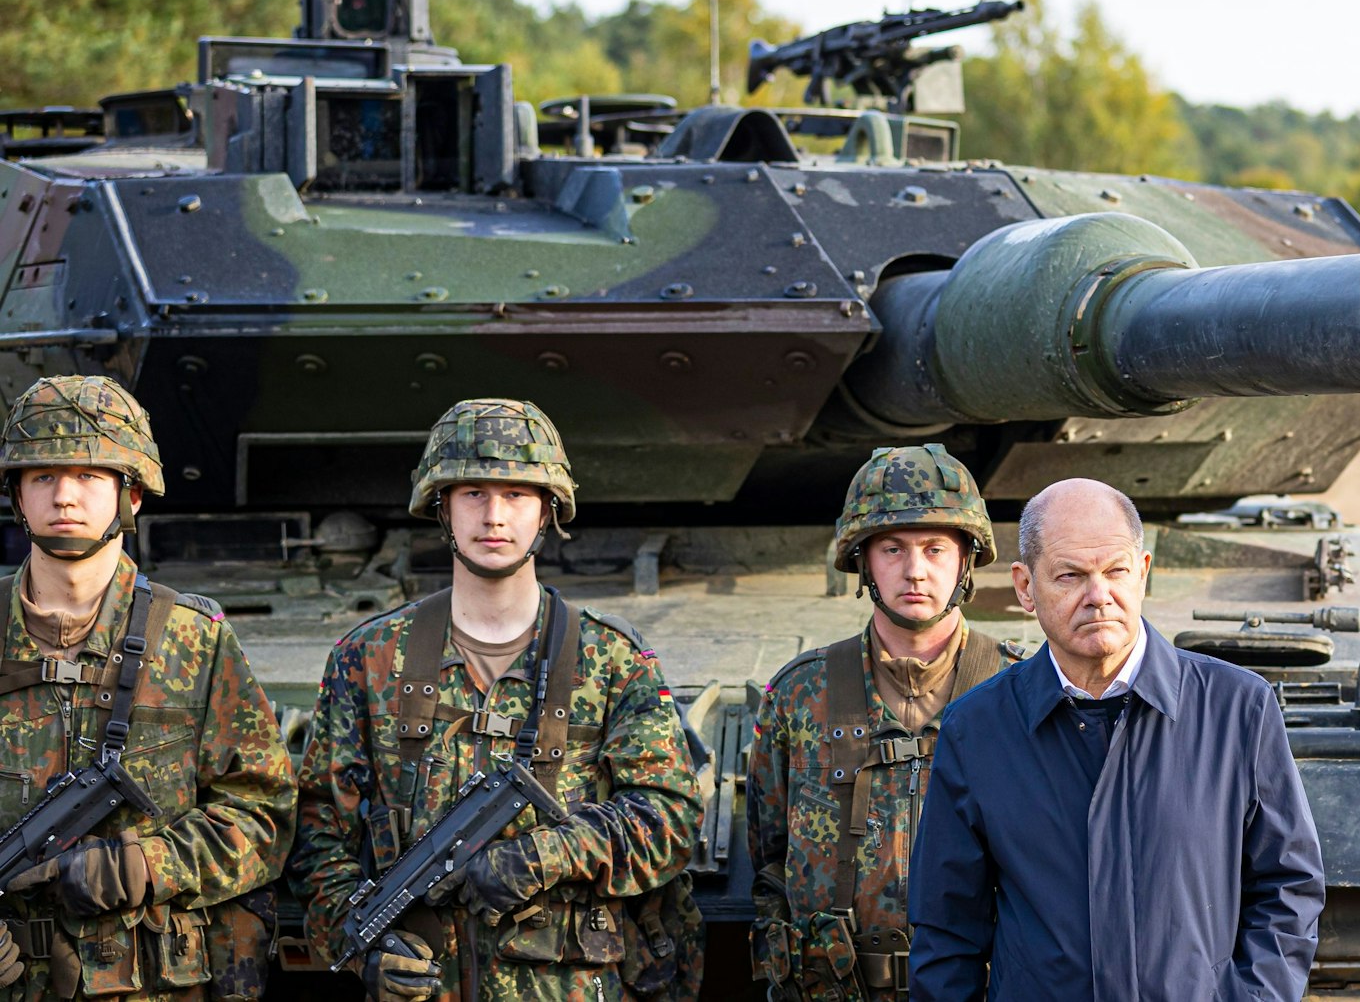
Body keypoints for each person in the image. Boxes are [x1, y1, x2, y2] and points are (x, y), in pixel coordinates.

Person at [287, 398, 703, 1001]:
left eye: (517, 494)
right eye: (473, 494)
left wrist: (547, 855)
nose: (494, 516)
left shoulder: (609, 660)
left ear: (546, 512)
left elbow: (671, 818)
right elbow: (315, 828)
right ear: (443, 509)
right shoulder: (369, 657)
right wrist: (361, 944)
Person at [907, 477, 1323, 1001]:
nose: (1098, 596)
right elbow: (947, 929)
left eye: (1116, 571)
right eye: (1070, 576)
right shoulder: (979, 730)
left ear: (1143, 572)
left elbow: (1288, 888)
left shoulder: (1236, 709)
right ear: (1025, 588)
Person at [0, 374, 295, 999]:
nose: (65, 497)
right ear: (17, 495)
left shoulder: (194, 639)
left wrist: (143, 864)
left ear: (130, 495)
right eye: (43, 476)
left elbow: (266, 814)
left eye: (89, 476)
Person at [748, 444, 1024, 1001]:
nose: (915, 571)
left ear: (966, 559)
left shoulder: (1018, 689)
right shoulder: (802, 693)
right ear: (863, 560)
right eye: (892, 548)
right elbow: (769, 852)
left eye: (936, 549)